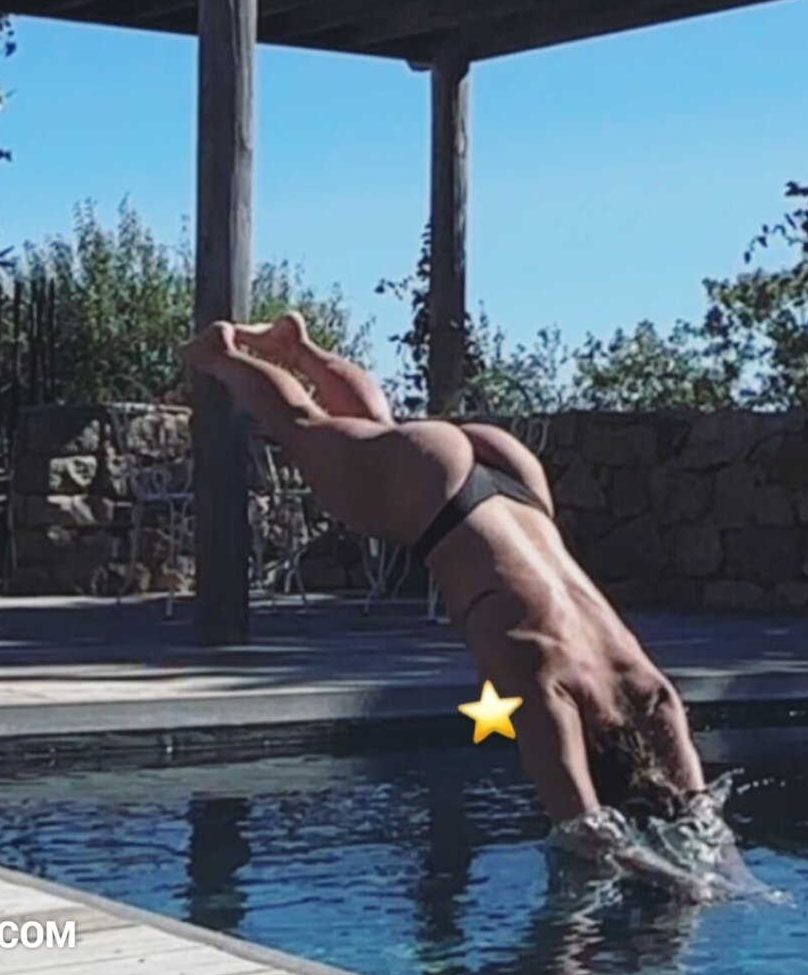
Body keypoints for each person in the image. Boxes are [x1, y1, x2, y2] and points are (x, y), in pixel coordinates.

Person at [182, 314, 710, 851]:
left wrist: (727, 874)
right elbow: (584, 830)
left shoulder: (647, 689)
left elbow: (702, 815)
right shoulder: (546, 686)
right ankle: (220, 354)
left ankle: (300, 349)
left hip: (516, 485)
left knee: (381, 432)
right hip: (440, 502)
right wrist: (664, 873)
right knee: (302, 423)